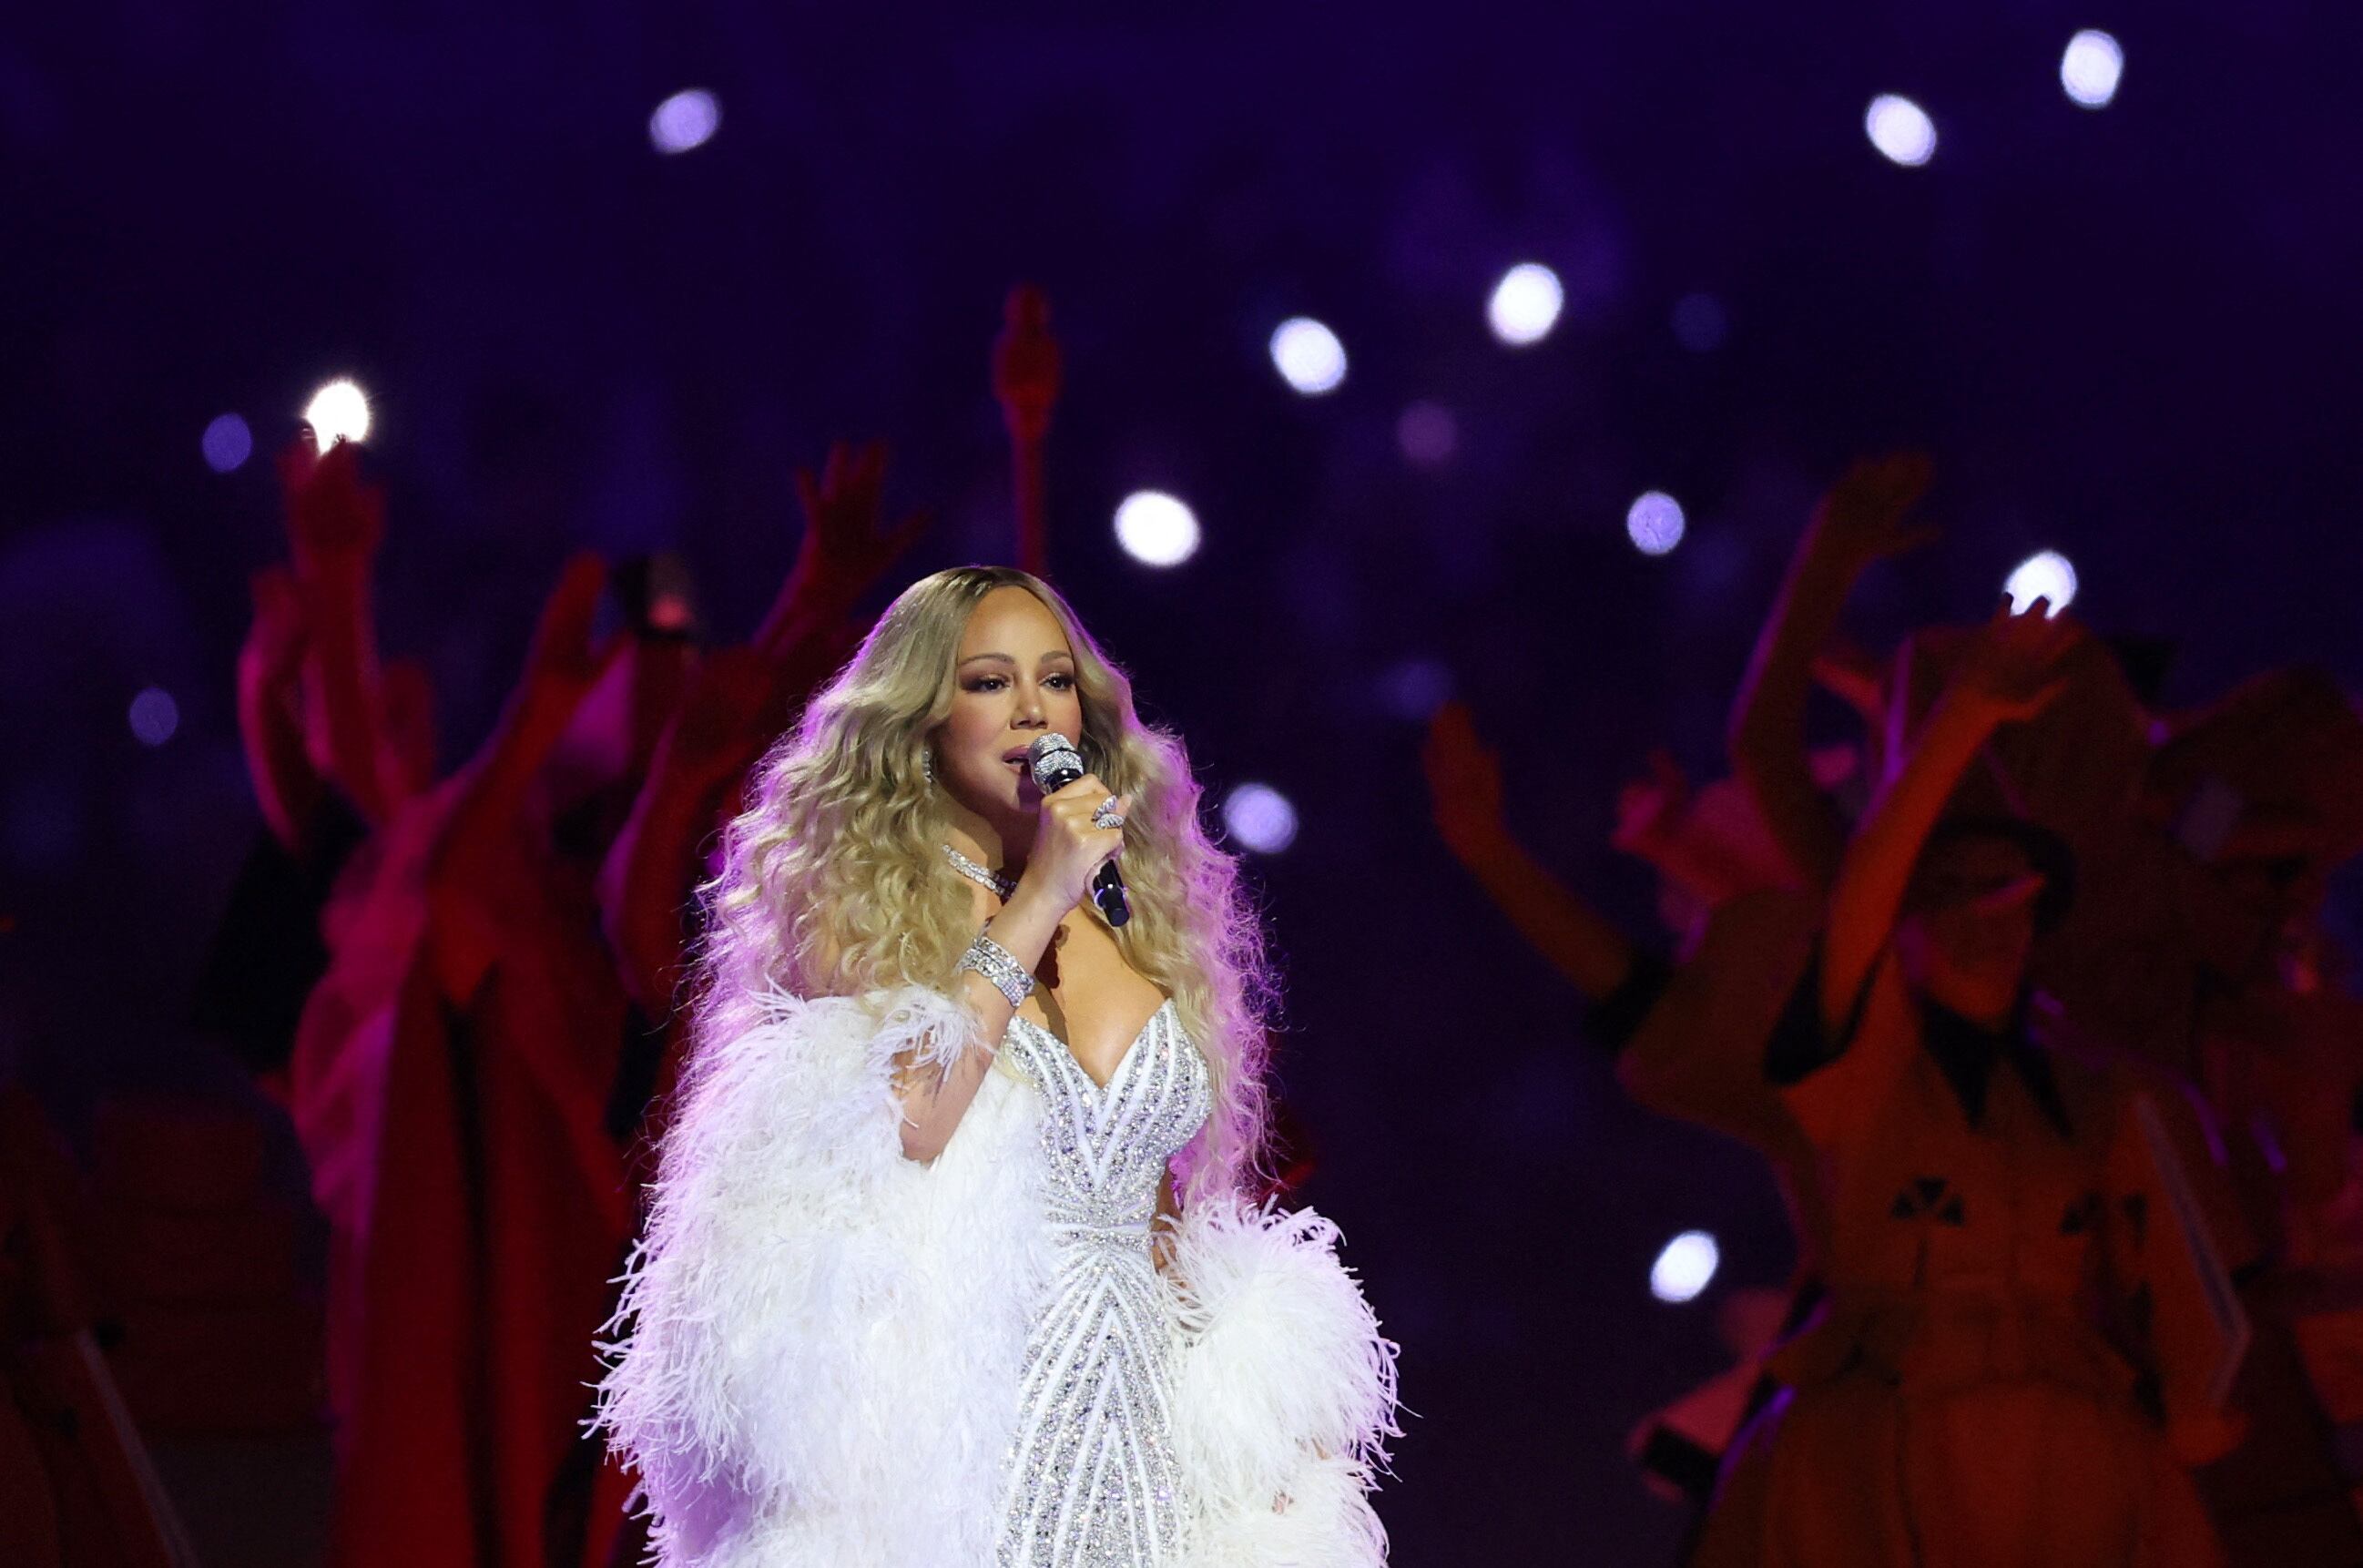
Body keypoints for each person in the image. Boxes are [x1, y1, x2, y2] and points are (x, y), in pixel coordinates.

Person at [597, 566, 1399, 1567]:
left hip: (1146, 1451)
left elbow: (1158, 1217)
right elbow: (911, 1122)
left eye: (1055, 680)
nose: (1031, 708)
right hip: (971, 1446)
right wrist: (1036, 901)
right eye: (986, 682)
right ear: (922, 715)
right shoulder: (861, 905)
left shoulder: (1134, 920)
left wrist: (1259, 1407)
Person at [1693, 602, 2249, 1568]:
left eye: (2010, 893)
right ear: (1906, 915)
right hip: (1888, 1439)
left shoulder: (2097, 1098)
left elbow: (2179, 1265)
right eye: (1954, 891)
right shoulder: (1867, 1071)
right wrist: (1962, 724)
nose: (1987, 919)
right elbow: (1859, 907)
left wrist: (2197, 1394)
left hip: (2072, 1449)